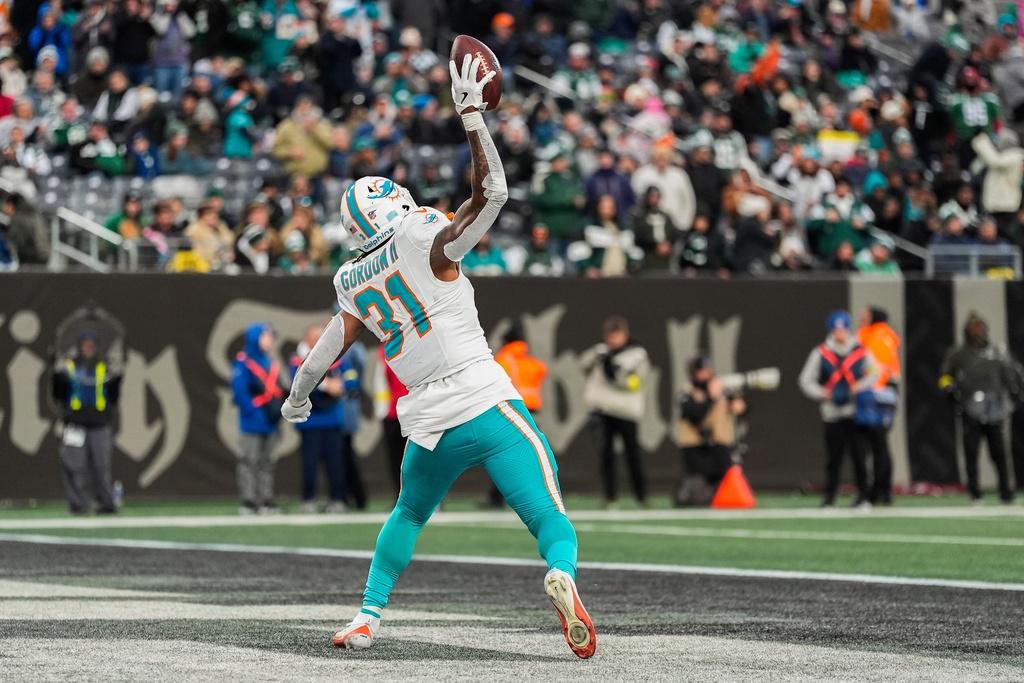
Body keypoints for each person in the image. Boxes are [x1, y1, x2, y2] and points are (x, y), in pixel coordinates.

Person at [280, 56, 595, 658]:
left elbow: (323, 353)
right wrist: (472, 115)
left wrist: (297, 397)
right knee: (550, 518)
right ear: (395, 205)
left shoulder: (351, 276)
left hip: (425, 423)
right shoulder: (422, 232)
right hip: (483, 399)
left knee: (407, 515)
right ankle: (563, 575)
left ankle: (367, 617)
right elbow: (494, 193)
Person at [939, 311, 1022, 504]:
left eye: (980, 328)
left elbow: (1009, 378)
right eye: (974, 329)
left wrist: (1014, 394)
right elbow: (945, 377)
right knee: (971, 453)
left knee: (999, 453)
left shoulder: (997, 352)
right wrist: (951, 391)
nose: (977, 332)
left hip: (994, 409)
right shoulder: (958, 354)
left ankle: (1006, 493)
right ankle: (975, 493)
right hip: (970, 408)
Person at [798, 311, 875, 509]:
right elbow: (805, 380)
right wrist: (822, 393)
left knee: (859, 456)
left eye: (843, 329)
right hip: (832, 413)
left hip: (856, 412)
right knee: (834, 458)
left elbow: (876, 371)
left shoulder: (860, 350)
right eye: (836, 329)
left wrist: (861, 385)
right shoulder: (821, 352)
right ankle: (829, 498)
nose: (840, 333)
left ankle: (864, 497)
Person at [580, 315, 651, 509]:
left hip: (627, 411)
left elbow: (636, 382)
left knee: (633, 455)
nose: (614, 340)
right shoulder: (601, 353)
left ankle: (642, 496)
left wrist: (615, 375)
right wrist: (598, 355)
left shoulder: (637, 355)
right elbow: (582, 366)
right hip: (604, 411)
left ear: (625, 335)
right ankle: (610, 497)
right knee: (606, 456)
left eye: (618, 336)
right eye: (610, 336)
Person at [51, 330, 121, 514]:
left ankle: (105, 504)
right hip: (75, 423)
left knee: (101, 466)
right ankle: (79, 504)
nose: (88, 347)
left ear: (96, 346)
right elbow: (58, 393)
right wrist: (56, 375)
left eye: (92, 343)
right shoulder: (69, 367)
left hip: (99, 422)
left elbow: (113, 396)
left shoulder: (104, 367)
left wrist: (117, 378)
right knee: (72, 464)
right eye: (85, 343)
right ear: (79, 345)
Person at [482, 323, 548, 508]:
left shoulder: (502, 360)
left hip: (509, 414)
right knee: (530, 459)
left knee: (503, 458)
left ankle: (498, 499)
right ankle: (535, 497)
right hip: (532, 414)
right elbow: (542, 370)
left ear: (505, 342)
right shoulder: (532, 363)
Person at [290, 325, 351, 514]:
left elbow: (351, 377)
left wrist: (341, 384)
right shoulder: (296, 360)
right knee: (310, 464)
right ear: (306, 339)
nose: (319, 340)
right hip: (310, 421)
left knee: (335, 464)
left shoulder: (335, 357)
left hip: (333, 420)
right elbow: (299, 382)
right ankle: (308, 499)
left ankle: (337, 499)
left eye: (321, 336)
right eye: (314, 337)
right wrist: (327, 386)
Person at [676, 356, 746, 507]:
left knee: (726, 497)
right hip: (697, 451)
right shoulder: (686, 393)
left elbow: (742, 410)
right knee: (699, 499)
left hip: (719, 448)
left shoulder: (723, 392)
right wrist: (711, 397)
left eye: (708, 371)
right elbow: (694, 416)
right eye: (702, 372)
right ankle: (687, 494)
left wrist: (738, 403)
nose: (706, 375)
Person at [231, 322, 285, 515]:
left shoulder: (270, 361)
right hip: (252, 422)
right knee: (249, 462)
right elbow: (240, 392)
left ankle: (265, 500)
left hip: (270, 422)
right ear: (256, 338)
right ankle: (248, 501)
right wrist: (255, 412)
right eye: (266, 336)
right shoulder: (244, 361)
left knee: (267, 463)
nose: (270, 340)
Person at [856, 307, 901, 505]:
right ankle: (879, 491)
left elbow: (875, 368)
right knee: (878, 446)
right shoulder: (877, 335)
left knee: (877, 445)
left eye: (865, 315)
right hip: (881, 392)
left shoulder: (879, 336)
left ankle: (879, 491)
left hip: (877, 393)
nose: (861, 318)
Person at [373, 345, 409, 499]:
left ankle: (431, 500)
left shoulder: (424, 344)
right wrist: (382, 412)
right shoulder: (384, 352)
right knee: (397, 461)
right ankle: (400, 498)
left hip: (418, 414)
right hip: (393, 415)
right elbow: (379, 383)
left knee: (422, 460)